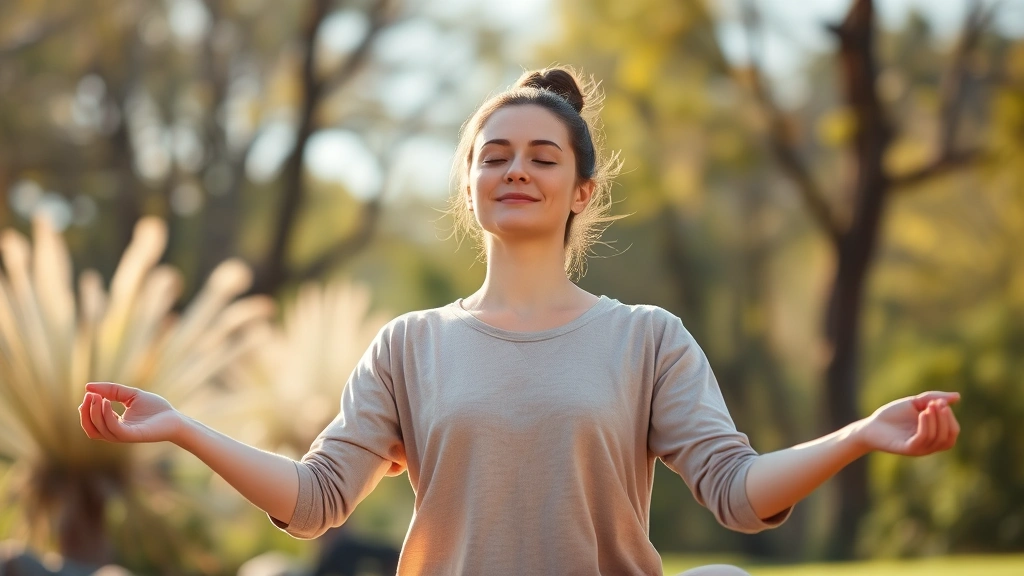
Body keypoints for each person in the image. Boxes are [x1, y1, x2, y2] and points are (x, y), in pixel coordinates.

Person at [79, 67, 961, 576]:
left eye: (543, 157)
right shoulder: (410, 345)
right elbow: (315, 502)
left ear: (582, 191)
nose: (515, 170)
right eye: (493, 156)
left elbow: (736, 494)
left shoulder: (647, 338)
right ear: (469, 185)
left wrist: (858, 435)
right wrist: (184, 429)